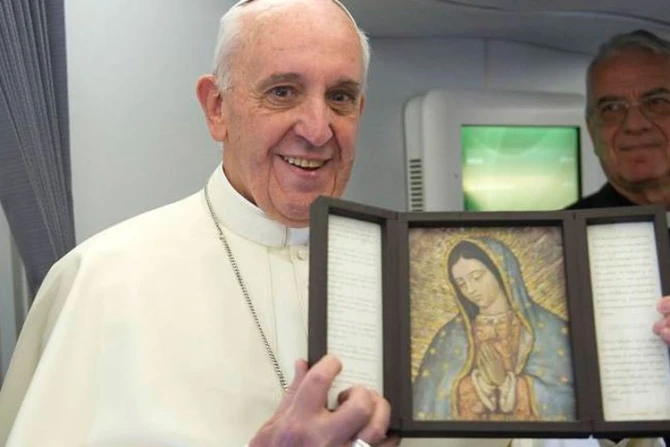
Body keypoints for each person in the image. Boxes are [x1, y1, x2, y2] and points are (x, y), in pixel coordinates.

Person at [0, 1, 668, 445]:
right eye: (283, 91)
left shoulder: (410, 272)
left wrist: (640, 378)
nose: (317, 128)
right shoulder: (103, 281)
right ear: (217, 108)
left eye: (341, 97)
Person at [413, 238, 574, 422]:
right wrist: (482, 384)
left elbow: (568, 399)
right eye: (461, 284)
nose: (470, 289)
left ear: (501, 271)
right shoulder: (450, 337)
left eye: (476, 277)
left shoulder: (552, 329)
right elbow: (431, 399)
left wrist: (506, 383)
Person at [567, 29, 670, 211]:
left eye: (657, 102)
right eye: (611, 108)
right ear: (592, 132)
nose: (634, 125)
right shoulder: (564, 228)